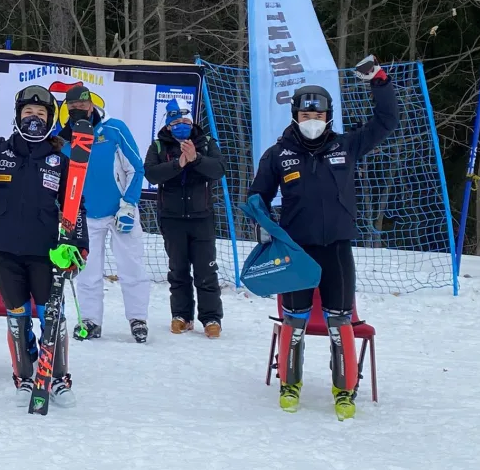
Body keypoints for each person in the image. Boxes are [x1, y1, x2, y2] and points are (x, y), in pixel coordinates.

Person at [249, 56, 398, 419]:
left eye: (317, 117)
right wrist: (265, 227)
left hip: (337, 249)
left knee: (339, 321)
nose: (311, 123)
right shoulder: (278, 155)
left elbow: (387, 121)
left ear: (328, 117)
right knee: (295, 320)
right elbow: (257, 198)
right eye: (305, 116)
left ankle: (344, 392)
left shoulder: (346, 146)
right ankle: (289, 384)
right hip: (296, 252)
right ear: (295, 117)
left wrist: (379, 81)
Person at [0, 84, 88, 408]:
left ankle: (58, 378)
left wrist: (80, 246)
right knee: (17, 316)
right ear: (18, 116)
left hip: (46, 254)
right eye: (28, 113)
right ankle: (24, 375)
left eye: (40, 114)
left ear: (50, 119)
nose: (33, 119)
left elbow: (75, 206)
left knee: (54, 318)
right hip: (4, 252)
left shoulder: (59, 161)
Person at [59, 85, 151, 344]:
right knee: (87, 270)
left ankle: (138, 319)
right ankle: (90, 320)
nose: (79, 111)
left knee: (131, 266)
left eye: (83, 106)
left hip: (120, 211)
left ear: (91, 106)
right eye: (73, 107)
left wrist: (129, 205)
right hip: (86, 214)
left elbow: (136, 169)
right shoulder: (64, 137)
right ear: (67, 108)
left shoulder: (114, 129)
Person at [143, 99, 226, 338]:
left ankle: (211, 318)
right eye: (176, 122)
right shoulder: (159, 146)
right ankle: (181, 315)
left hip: (202, 218)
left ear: (192, 122)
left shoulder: (206, 142)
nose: (181, 125)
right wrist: (178, 164)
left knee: (206, 270)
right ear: (168, 125)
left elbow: (219, 169)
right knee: (177, 269)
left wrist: (196, 159)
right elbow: (151, 173)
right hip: (171, 218)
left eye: (185, 121)